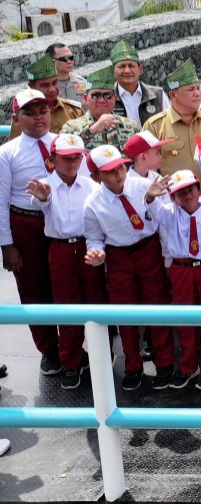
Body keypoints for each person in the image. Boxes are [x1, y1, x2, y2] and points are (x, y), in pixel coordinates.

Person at [83, 145, 175, 391]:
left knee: (158, 305)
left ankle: (165, 363)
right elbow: (94, 238)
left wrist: (152, 199)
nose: (119, 174)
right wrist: (97, 254)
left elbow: (164, 220)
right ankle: (133, 366)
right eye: (110, 171)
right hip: (118, 256)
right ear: (96, 176)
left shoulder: (143, 185)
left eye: (121, 166)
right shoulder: (92, 203)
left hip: (148, 249)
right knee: (124, 312)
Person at [27, 134, 102, 390]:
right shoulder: (44, 185)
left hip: (88, 246)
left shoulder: (91, 185)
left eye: (77, 158)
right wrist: (42, 197)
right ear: (52, 160)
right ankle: (71, 363)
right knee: (66, 307)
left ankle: (102, 359)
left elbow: (97, 221)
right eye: (65, 158)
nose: (72, 163)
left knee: (96, 304)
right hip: (59, 250)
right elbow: (40, 202)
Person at [148, 170, 201, 390]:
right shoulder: (170, 212)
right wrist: (150, 197)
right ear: (173, 196)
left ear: (199, 188)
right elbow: (155, 211)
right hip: (181, 269)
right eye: (180, 192)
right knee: (184, 319)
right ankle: (188, 365)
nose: (187, 196)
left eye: (190, 189)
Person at [0, 90, 61, 375]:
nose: (38, 117)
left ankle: (74, 346)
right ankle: (48, 349)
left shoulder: (63, 144)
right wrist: (7, 245)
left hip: (60, 221)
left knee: (65, 284)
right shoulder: (7, 153)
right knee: (34, 287)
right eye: (30, 112)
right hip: (25, 223)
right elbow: (1, 201)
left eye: (43, 111)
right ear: (16, 118)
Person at [142, 60, 201, 177]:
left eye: (198, 88)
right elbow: (147, 169)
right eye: (191, 89)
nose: (198, 93)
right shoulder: (154, 126)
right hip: (173, 194)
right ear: (173, 95)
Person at [60, 66, 138, 151]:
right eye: (95, 95)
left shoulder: (130, 126)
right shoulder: (71, 128)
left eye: (107, 95)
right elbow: (63, 152)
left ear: (115, 99)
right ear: (86, 99)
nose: (101, 100)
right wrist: (92, 130)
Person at [8, 55, 85, 139]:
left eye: (55, 83)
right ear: (32, 86)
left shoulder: (75, 110)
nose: (52, 89)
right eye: (45, 85)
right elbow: (16, 147)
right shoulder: (23, 116)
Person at [110, 40, 168, 128]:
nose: (127, 71)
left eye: (131, 66)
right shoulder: (107, 98)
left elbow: (169, 125)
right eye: (122, 66)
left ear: (140, 69)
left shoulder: (158, 95)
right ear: (113, 71)